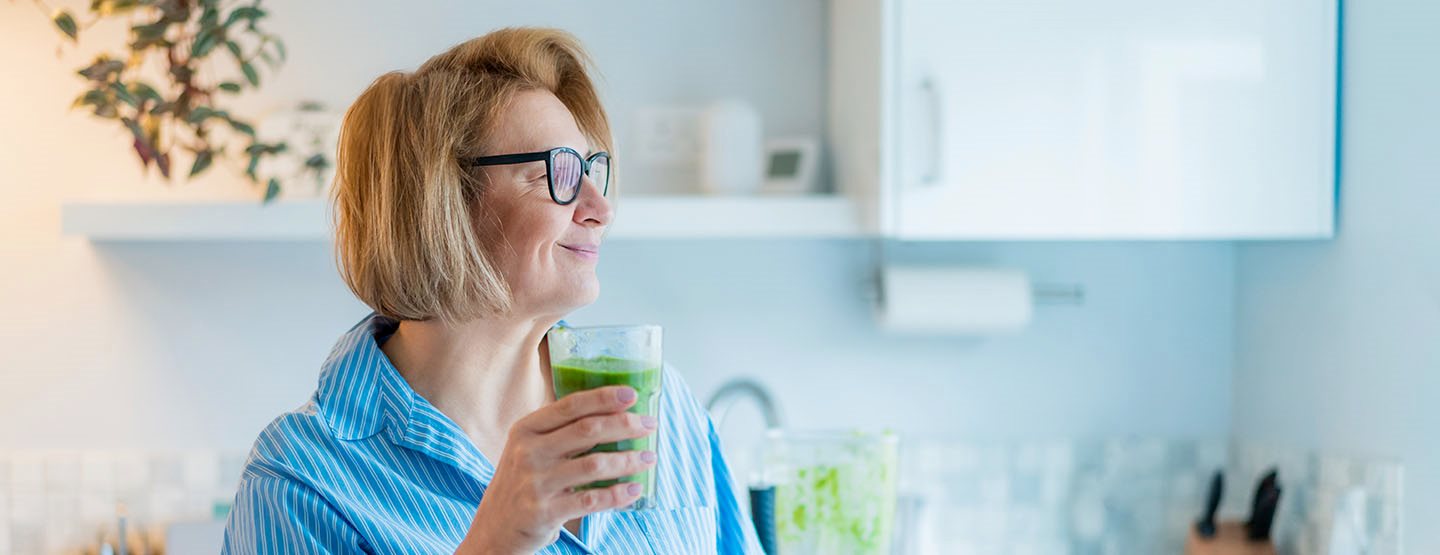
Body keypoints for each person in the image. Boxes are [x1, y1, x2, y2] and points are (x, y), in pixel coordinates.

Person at [221, 27, 762, 554]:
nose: (601, 209)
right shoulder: (298, 482)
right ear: (442, 204)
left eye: (592, 170)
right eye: (559, 173)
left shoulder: (663, 410)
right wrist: (494, 545)